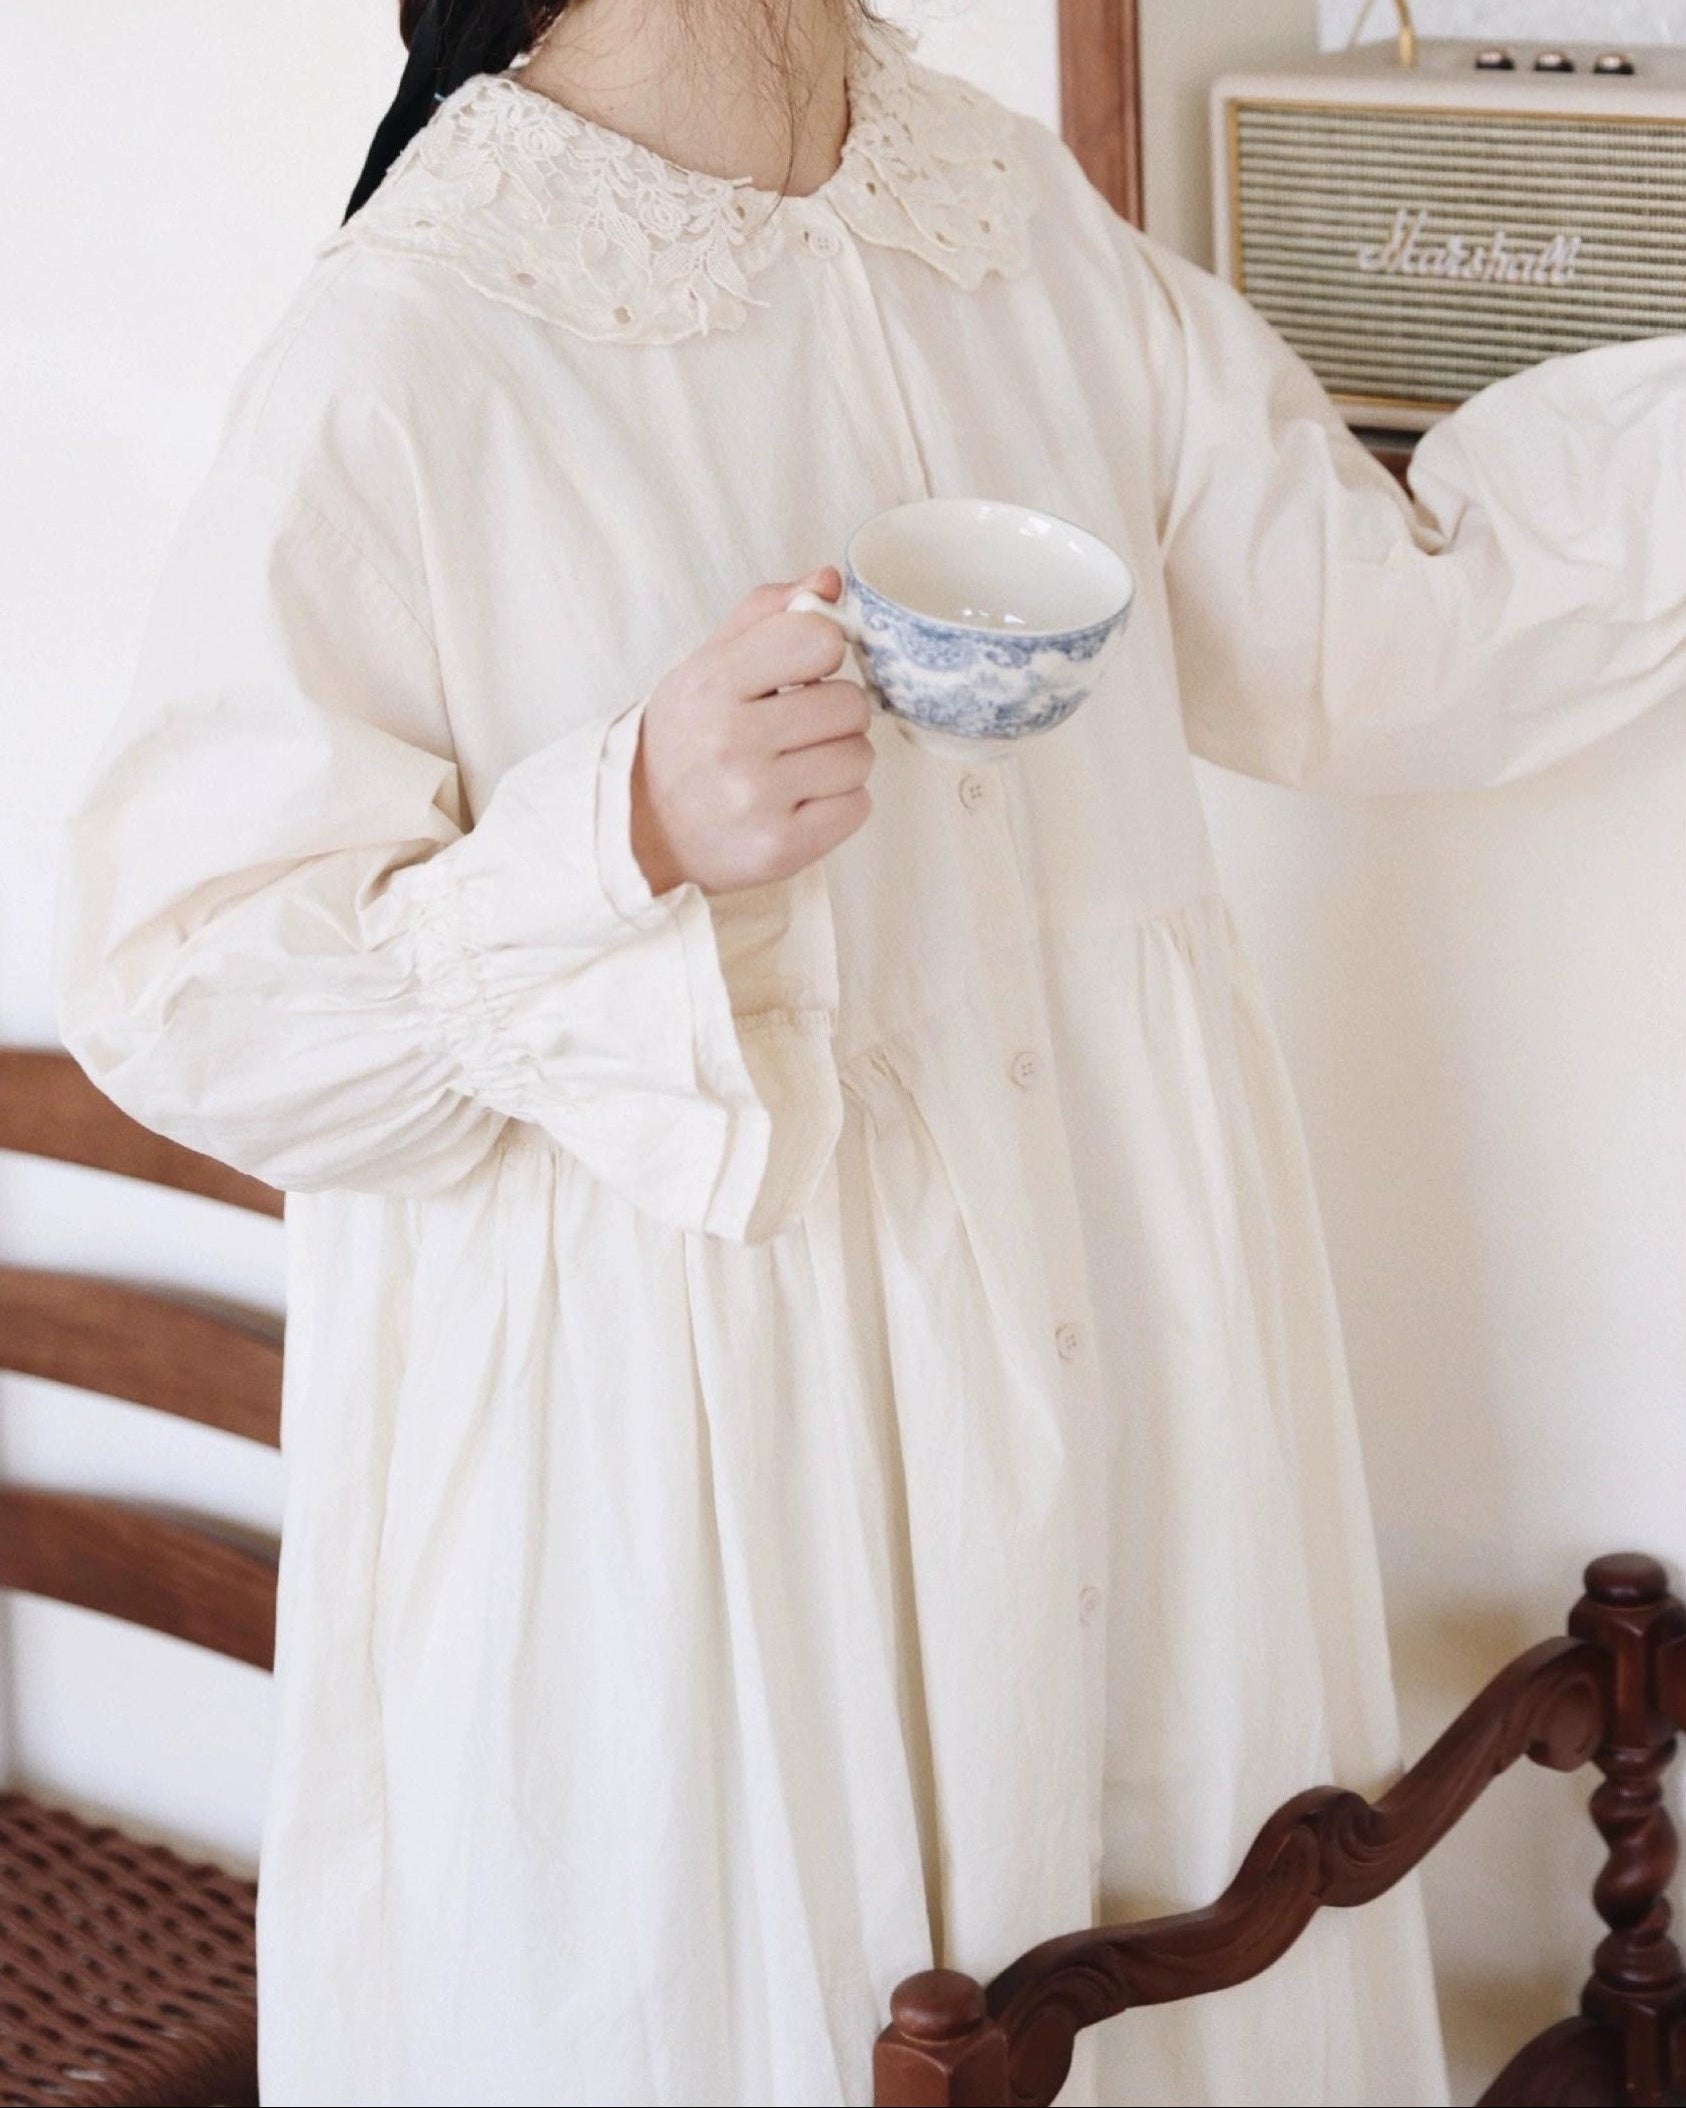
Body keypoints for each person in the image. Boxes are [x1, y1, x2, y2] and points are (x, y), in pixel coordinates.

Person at [57, 2, 1686, 2102]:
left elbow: (1361, 639)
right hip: (711, 1492)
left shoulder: (988, 201)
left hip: (1121, 1321)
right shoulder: (418, 337)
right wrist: (621, 830)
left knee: (1145, 1957)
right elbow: (192, 997)